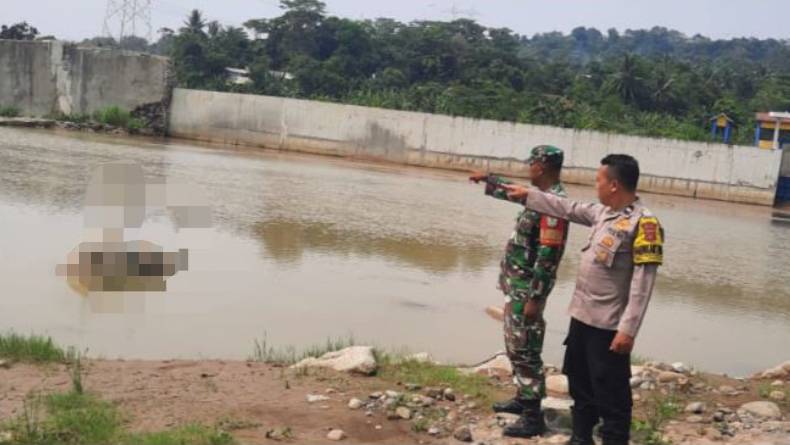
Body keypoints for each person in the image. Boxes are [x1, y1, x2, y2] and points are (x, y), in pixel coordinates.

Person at [503, 154, 664, 445]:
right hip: (582, 317)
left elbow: (643, 284)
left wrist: (628, 330)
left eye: (599, 181)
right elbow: (566, 207)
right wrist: (529, 195)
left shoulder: (644, 224)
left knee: (611, 391)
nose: (596, 186)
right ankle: (580, 438)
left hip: (609, 326)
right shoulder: (602, 213)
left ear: (614, 185)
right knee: (579, 382)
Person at [469, 145, 570, 438]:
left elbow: (548, 257)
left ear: (542, 165)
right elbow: (514, 191)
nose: (529, 168)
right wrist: (488, 179)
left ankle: (532, 417)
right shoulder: (541, 199)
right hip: (518, 287)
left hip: (527, 290)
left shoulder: (553, 205)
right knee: (515, 344)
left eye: (532, 164)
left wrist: (536, 297)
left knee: (525, 349)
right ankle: (523, 398)